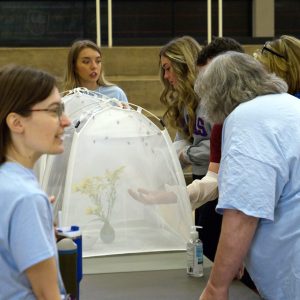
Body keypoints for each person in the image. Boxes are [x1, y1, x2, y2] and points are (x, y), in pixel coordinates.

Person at [196, 51, 300, 300]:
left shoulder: (248, 119)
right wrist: (238, 255)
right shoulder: (288, 105)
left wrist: (216, 287)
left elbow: (244, 210)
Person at [0, 64, 71, 299]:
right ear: (17, 122)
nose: (66, 121)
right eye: (54, 111)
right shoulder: (26, 198)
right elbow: (47, 295)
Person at [159, 35, 211, 188]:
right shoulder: (185, 101)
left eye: (168, 69)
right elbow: (182, 141)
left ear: (184, 64)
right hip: (200, 176)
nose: (166, 76)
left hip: (220, 179)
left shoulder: (213, 98)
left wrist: (185, 155)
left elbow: (221, 146)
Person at [63, 39, 128, 102]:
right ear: (74, 66)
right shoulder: (67, 100)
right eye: (86, 62)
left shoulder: (116, 94)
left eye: (98, 61)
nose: (94, 66)